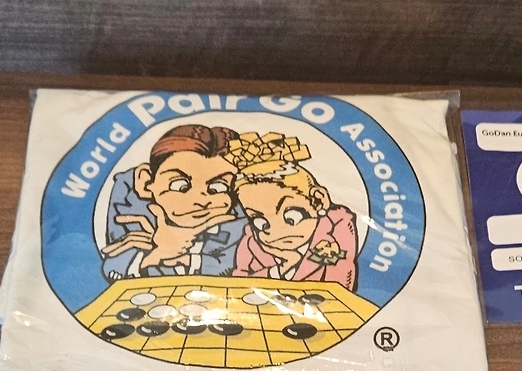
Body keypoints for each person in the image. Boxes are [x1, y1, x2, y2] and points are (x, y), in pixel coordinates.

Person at [99, 123, 246, 279]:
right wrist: (156, 254)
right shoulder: (131, 210)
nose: (201, 200)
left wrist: (190, 259)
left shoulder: (240, 222)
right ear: (146, 182)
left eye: (217, 188)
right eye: (180, 186)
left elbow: (237, 267)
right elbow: (114, 267)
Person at [228, 131, 359, 290]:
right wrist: (281, 268)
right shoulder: (251, 238)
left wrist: (296, 264)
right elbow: (238, 284)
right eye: (261, 223)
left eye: (292, 217)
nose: (275, 231)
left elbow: (341, 285)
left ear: (318, 201)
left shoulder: (337, 224)